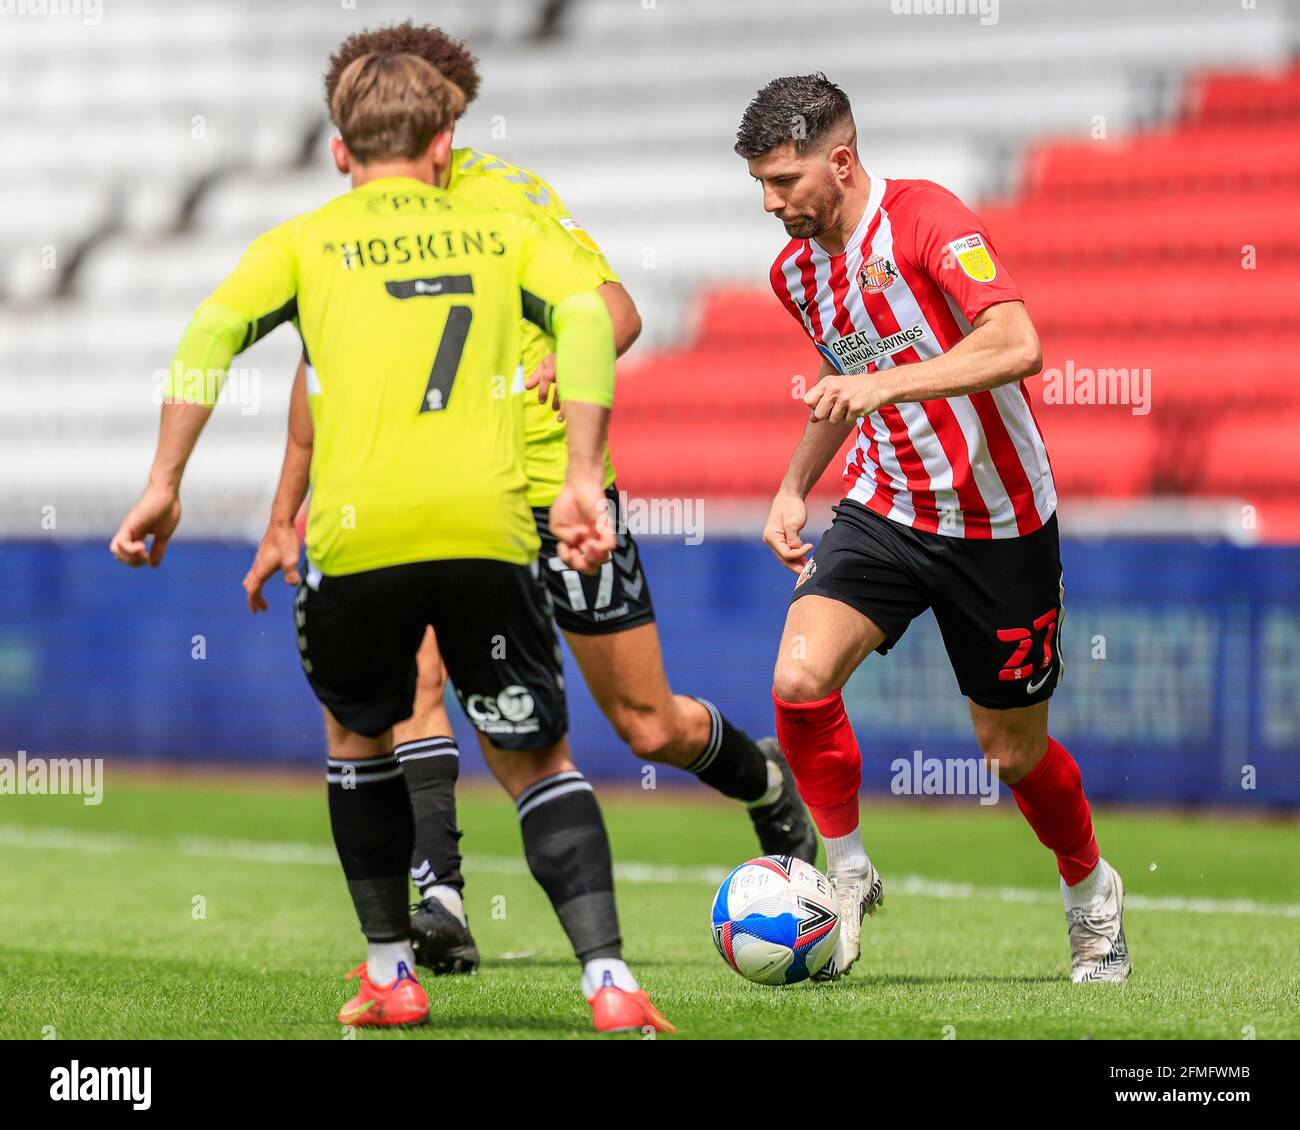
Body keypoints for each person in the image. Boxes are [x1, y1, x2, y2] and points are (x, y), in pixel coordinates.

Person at [111, 50, 673, 1032]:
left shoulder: (304, 240)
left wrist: (165, 482)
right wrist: (581, 472)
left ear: (338, 151)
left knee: (357, 734)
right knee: (538, 756)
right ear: (444, 143)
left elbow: (209, 335)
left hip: (360, 534)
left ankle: (390, 974)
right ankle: (610, 983)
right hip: (489, 525)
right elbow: (591, 317)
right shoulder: (501, 227)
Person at [243, 22, 816, 978]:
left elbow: (617, 310)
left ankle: (761, 780)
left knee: (646, 723)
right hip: (446, 498)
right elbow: (318, 383)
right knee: (419, 682)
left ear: (441, 118)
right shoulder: (353, 222)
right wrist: (282, 510)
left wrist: (561, 358)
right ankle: (442, 900)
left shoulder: (508, 199)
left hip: (559, 495)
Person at [736, 73, 1129, 984]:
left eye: (785, 180)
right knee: (798, 678)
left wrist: (885, 384)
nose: (771, 202)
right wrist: (795, 486)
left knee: (1011, 750)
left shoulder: (927, 219)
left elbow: (1018, 343)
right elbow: (846, 379)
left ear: (840, 162)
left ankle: (1091, 890)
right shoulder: (795, 271)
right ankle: (845, 874)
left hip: (1001, 523)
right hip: (886, 508)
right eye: (759, 183)